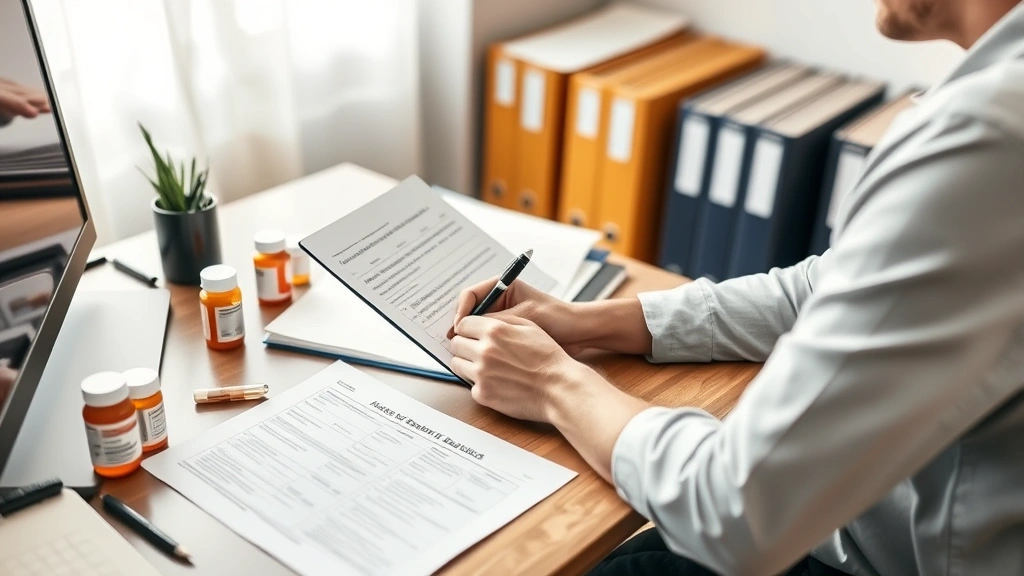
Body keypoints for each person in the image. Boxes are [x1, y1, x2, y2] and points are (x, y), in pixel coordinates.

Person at [449, 0, 1024, 574]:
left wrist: (553, 384)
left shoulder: (986, 140)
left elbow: (735, 512)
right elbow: (829, 285)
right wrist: (592, 321)